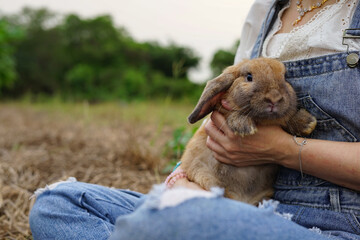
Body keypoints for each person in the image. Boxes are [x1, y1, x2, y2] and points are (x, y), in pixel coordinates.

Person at [29, 0, 360, 239]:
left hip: (329, 223)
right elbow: (216, 116)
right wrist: (182, 183)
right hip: (219, 199)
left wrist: (282, 149)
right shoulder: (266, 9)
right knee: (57, 203)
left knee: (186, 220)